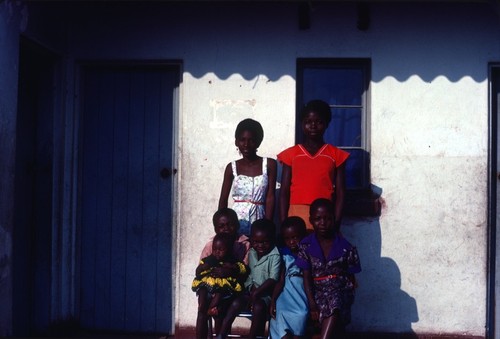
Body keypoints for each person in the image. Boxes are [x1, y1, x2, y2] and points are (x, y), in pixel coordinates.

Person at [277, 100, 349, 231]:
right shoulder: (291, 154)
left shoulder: (336, 155)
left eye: (319, 122)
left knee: (323, 250)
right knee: (298, 250)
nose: (313, 126)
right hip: (296, 213)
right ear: (302, 124)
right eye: (308, 122)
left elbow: (341, 193)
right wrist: (284, 222)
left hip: (324, 215)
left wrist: (336, 222)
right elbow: (284, 192)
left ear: (327, 124)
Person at [295, 198, 361, 339]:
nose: (323, 223)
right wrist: (312, 304)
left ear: (334, 219)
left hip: (340, 293)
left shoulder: (346, 248)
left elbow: (351, 278)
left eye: (327, 218)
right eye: (318, 219)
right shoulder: (305, 246)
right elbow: (306, 277)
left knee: (335, 302)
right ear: (311, 220)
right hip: (317, 293)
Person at [217, 219, 281, 339]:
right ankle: (222, 333)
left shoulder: (275, 255)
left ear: (272, 240)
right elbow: (250, 274)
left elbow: (273, 279)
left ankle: (252, 336)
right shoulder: (252, 252)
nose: (260, 246)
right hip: (250, 290)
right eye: (256, 242)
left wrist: (256, 293)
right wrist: (249, 291)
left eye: (265, 242)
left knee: (258, 307)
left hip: (265, 294)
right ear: (251, 239)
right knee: (236, 303)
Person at [196, 208, 251, 339]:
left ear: (237, 225)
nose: (226, 229)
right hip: (211, 286)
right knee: (202, 309)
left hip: (233, 288)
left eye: (230, 224)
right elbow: (200, 270)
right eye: (221, 226)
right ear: (216, 229)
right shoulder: (211, 245)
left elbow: (245, 270)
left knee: (220, 309)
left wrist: (228, 272)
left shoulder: (244, 245)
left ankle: (220, 335)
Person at [219, 118, 278, 236]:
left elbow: (270, 196)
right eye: (242, 140)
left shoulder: (269, 164)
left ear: (258, 142)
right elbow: (223, 199)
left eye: (251, 140)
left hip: (260, 219)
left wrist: (267, 224)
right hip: (236, 221)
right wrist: (222, 226)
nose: (246, 145)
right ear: (236, 141)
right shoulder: (231, 167)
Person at [269, 216, 308, 339]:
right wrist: (273, 300)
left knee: (302, 314)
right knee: (279, 313)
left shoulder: (308, 253)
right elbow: (280, 280)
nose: (291, 242)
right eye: (287, 239)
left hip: (301, 291)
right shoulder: (284, 253)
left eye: (295, 237)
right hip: (286, 291)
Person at [192, 233, 248, 319]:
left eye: (221, 250)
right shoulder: (209, 259)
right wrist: (202, 267)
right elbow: (197, 272)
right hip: (208, 284)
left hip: (222, 286)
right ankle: (202, 307)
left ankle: (211, 308)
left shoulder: (231, 260)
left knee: (220, 293)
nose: (217, 252)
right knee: (202, 290)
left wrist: (232, 267)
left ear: (228, 250)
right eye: (214, 249)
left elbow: (242, 269)